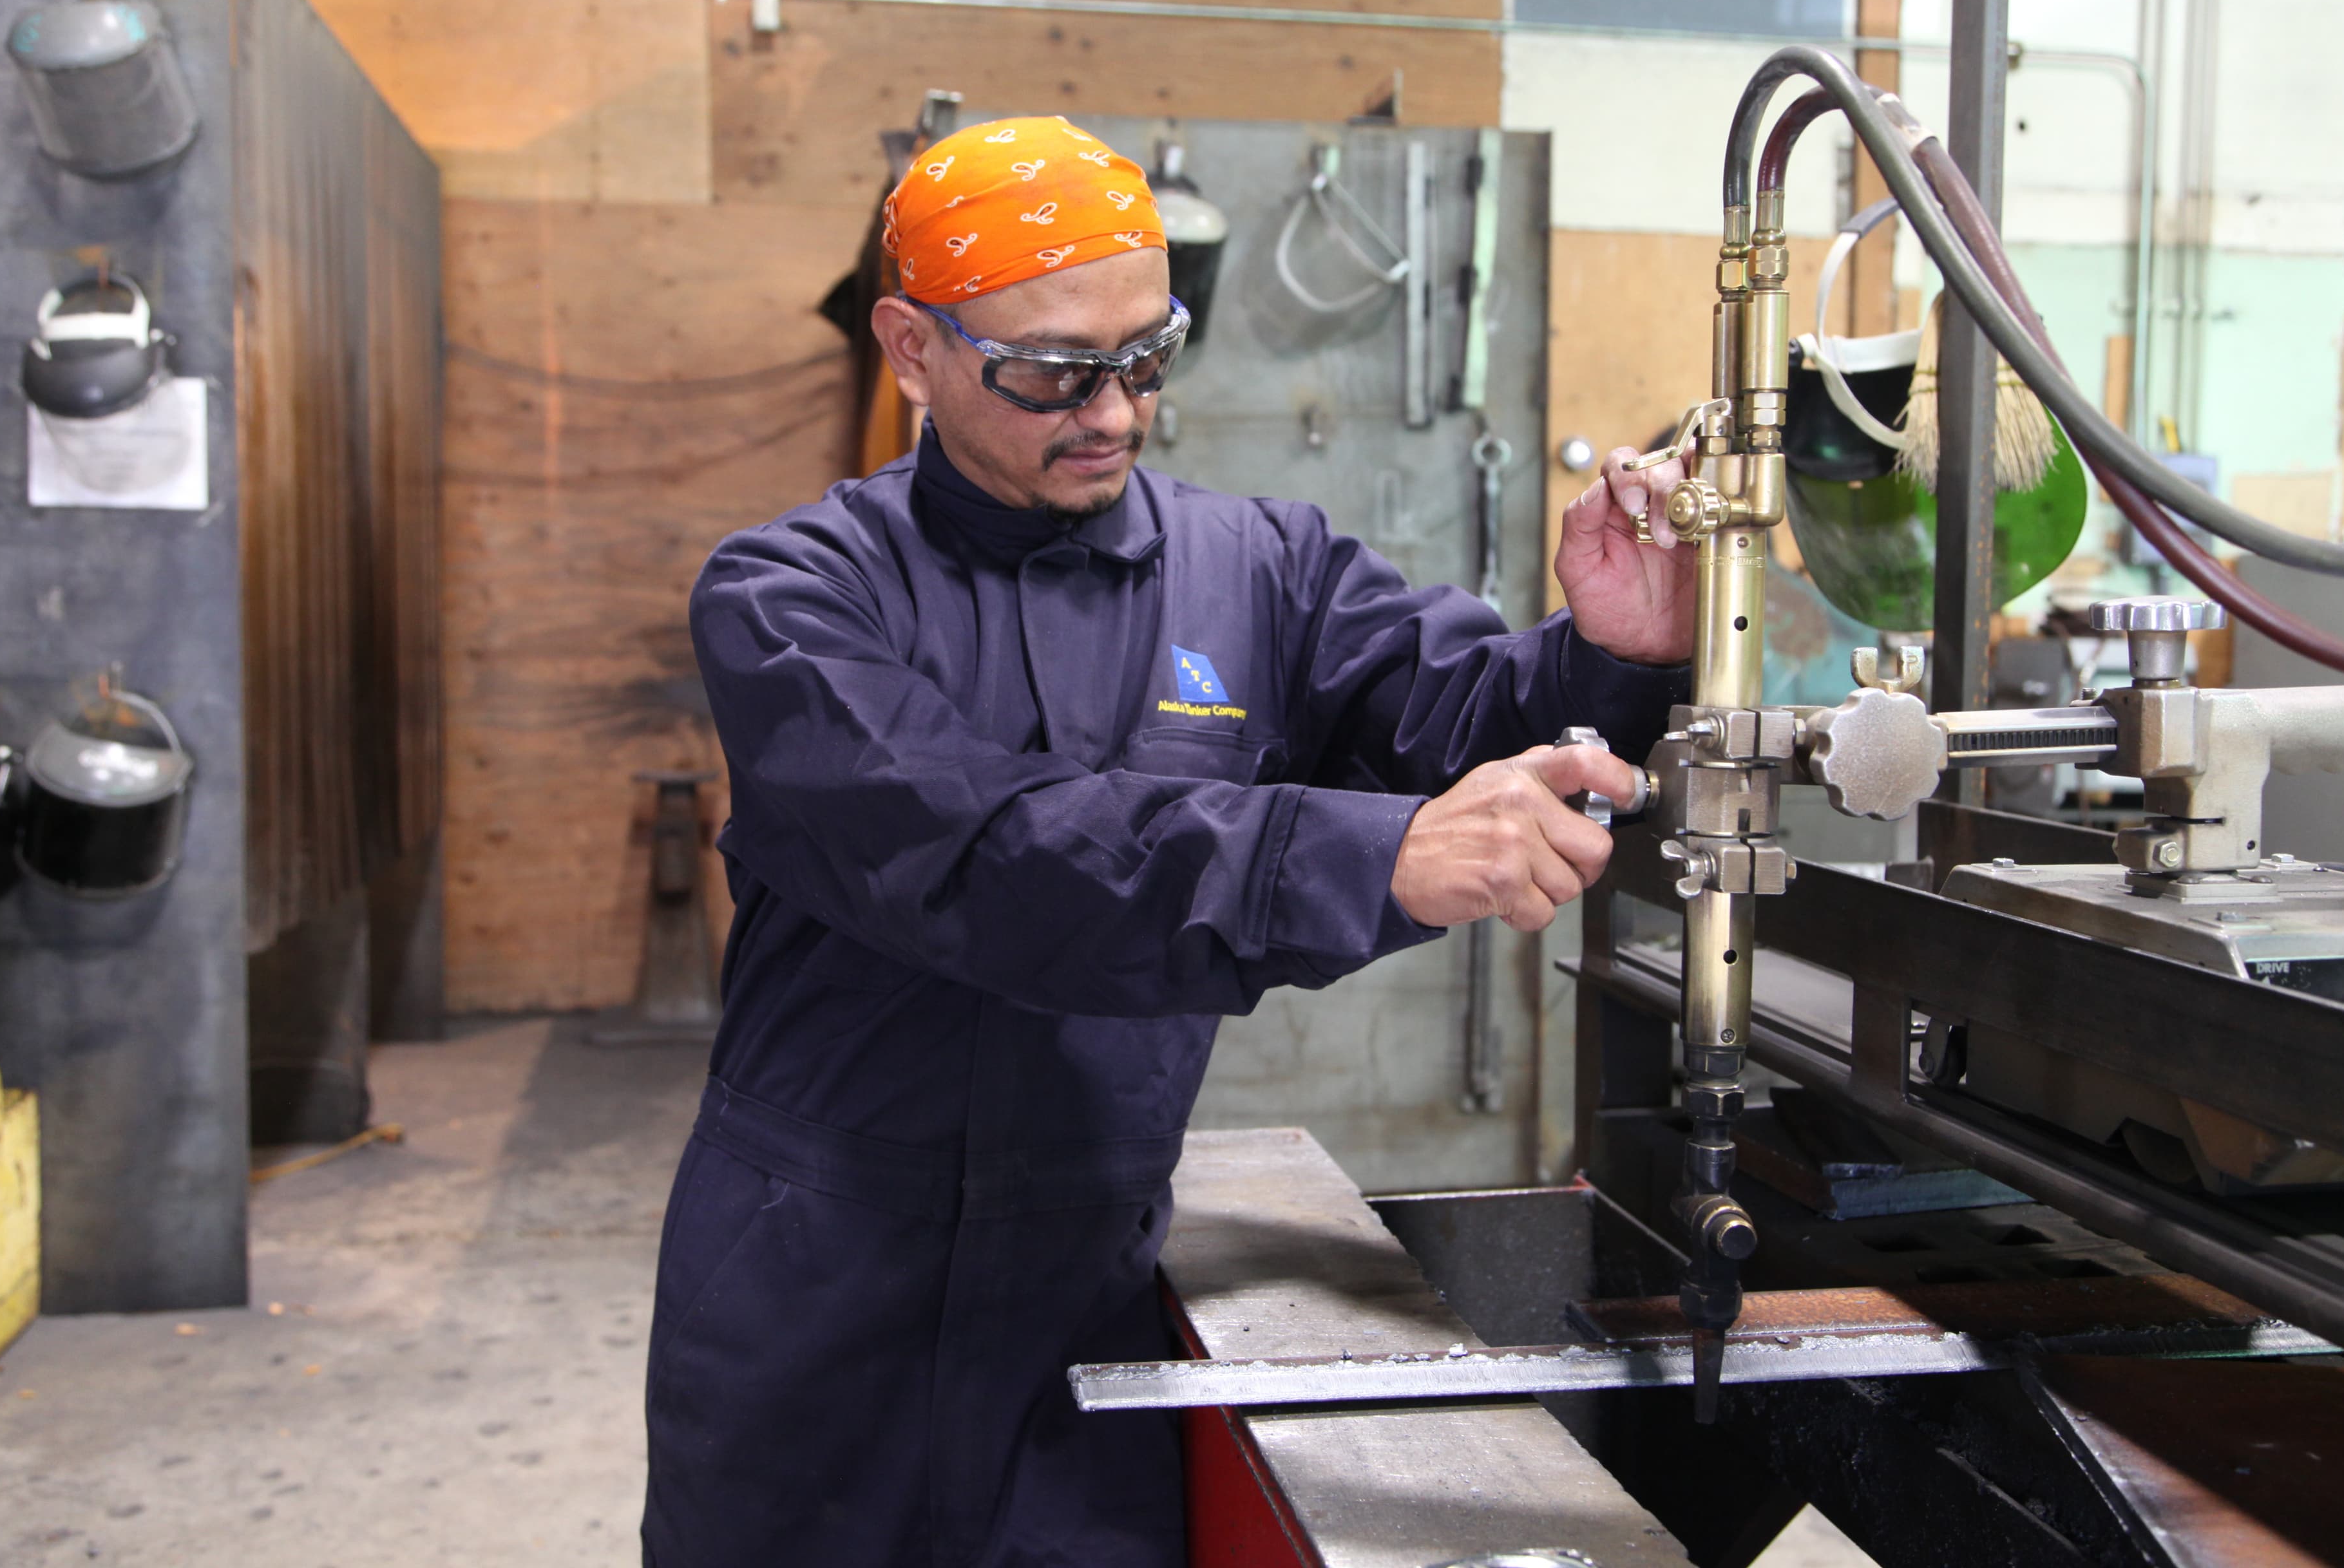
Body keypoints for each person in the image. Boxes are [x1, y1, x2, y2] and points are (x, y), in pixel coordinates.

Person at [644, 118, 1696, 1568]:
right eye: (1051, 369)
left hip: (1092, 1277)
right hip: (820, 1283)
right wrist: (1355, 856)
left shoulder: (1259, 569)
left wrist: (1610, 657)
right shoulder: (790, 598)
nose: (1116, 412)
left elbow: (1460, 716)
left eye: (1149, 356)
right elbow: (985, 852)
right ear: (911, 345)